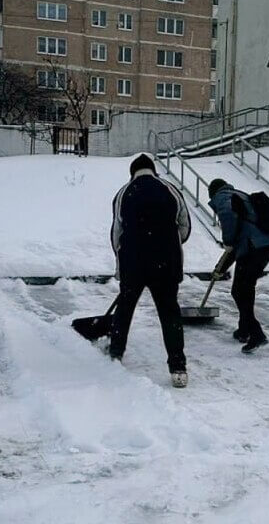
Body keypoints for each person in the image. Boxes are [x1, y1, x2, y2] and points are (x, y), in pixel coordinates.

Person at [110, 154, 191, 388]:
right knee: (169, 313)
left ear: (132, 172)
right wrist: (168, 245)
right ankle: (178, 367)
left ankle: (115, 353)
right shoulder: (171, 190)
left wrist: (123, 259)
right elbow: (184, 226)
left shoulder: (124, 192)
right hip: (166, 263)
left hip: (133, 263)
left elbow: (117, 231)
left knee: (125, 309)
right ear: (153, 170)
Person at [207, 178, 269, 354]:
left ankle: (256, 334)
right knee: (245, 288)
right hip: (266, 244)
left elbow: (230, 223)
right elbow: (237, 243)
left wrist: (227, 239)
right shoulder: (240, 195)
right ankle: (244, 329)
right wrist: (221, 268)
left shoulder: (223, 198)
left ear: (213, 192)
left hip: (253, 246)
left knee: (240, 290)